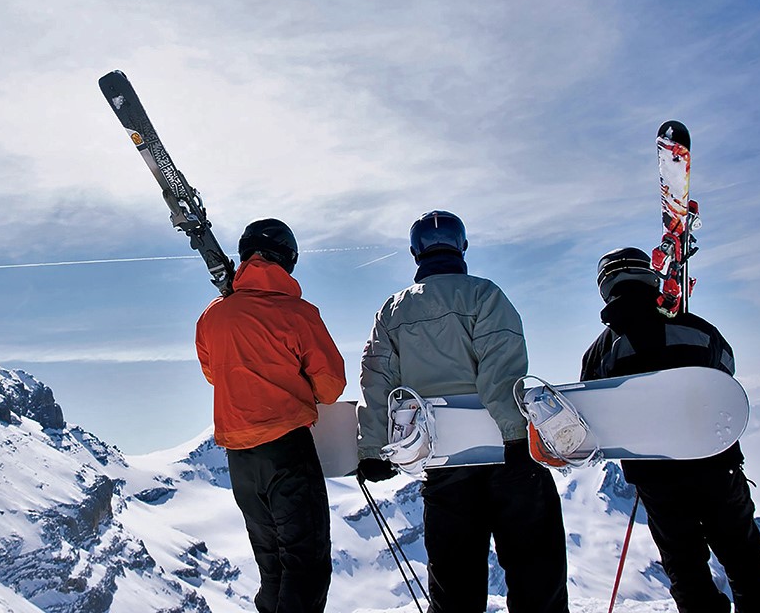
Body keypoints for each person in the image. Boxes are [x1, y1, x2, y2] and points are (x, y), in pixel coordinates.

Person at [356, 210, 569, 613]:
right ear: (463, 247)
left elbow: (377, 382)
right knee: (535, 572)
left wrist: (372, 450)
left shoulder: (392, 312)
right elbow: (501, 370)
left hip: (444, 461)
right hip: (509, 457)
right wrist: (514, 437)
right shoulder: (485, 295)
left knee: (455, 586)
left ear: (415, 253)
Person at [582, 247, 760, 613]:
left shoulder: (599, 353)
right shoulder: (697, 328)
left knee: (686, 569)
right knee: (744, 559)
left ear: (605, 286)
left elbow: (595, 414)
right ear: (649, 275)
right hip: (716, 464)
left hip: (656, 478)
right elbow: (726, 375)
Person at [196, 218, 347, 613]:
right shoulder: (298, 314)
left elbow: (215, 374)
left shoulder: (213, 317)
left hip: (240, 459)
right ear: (288, 260)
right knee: (306, 565)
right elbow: (331, 385)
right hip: (287, 451)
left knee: (273, 567)